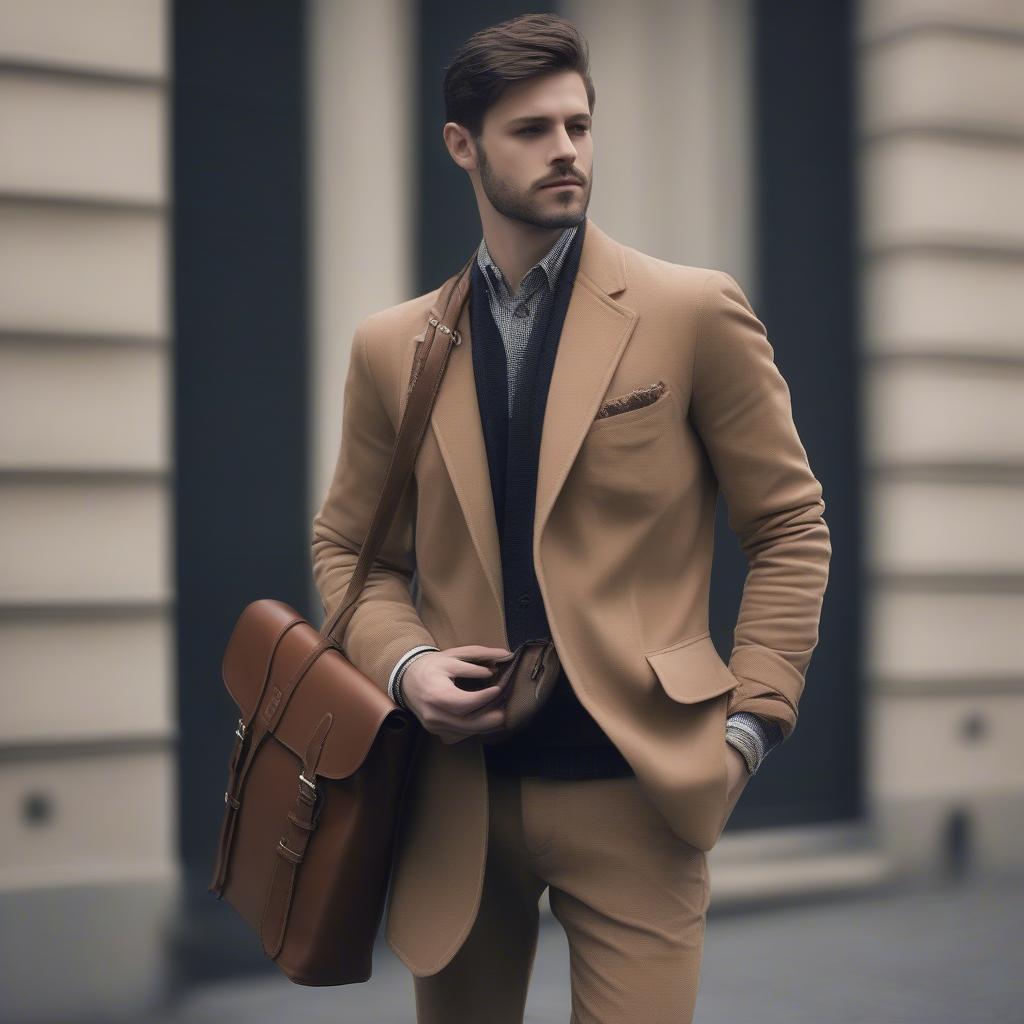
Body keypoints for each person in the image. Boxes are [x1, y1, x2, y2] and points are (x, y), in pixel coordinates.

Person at [312, 12, 830, 1023]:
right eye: (532, 130)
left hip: (640, 789)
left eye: (579, 126)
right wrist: (406, 664)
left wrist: (749, 727)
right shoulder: (394, 347)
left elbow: (788, 527)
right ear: (462, 146)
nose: (565, 151)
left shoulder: (692, 311)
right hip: (452, 801)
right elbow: (352, 553)